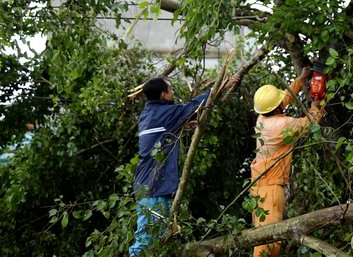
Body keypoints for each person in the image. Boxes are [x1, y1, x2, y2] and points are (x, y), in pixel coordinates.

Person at [129, 76, 236, 256]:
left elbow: (160, 135)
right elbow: (196, 104)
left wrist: (181, 126)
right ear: (163, 95)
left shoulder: (148, 113)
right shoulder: (167, 112)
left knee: (157, 242)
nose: (173, 92)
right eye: (171, 90)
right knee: (144, 244)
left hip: (146, 185)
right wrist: (224, 84)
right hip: (154, 187)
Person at [250, 67, 325, 257]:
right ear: (276, 108)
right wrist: (317, 102)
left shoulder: (262, 118)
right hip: (272, 188)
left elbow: (283, 99)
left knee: (261, 235)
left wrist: (301, 79)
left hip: (259, 184)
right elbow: (311, 122)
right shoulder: (282, 125)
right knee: (269, 242)